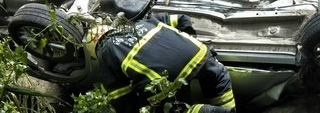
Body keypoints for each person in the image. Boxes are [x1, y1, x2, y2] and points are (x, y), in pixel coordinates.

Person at [96, 12, 236, 113]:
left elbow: (121, 98)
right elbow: (183, 19)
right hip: (200, 53)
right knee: (217, 79)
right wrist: (184, 45)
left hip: (165, 81)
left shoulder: (105, 52)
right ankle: (229, 110)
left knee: (176, 109)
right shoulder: (145, 21)